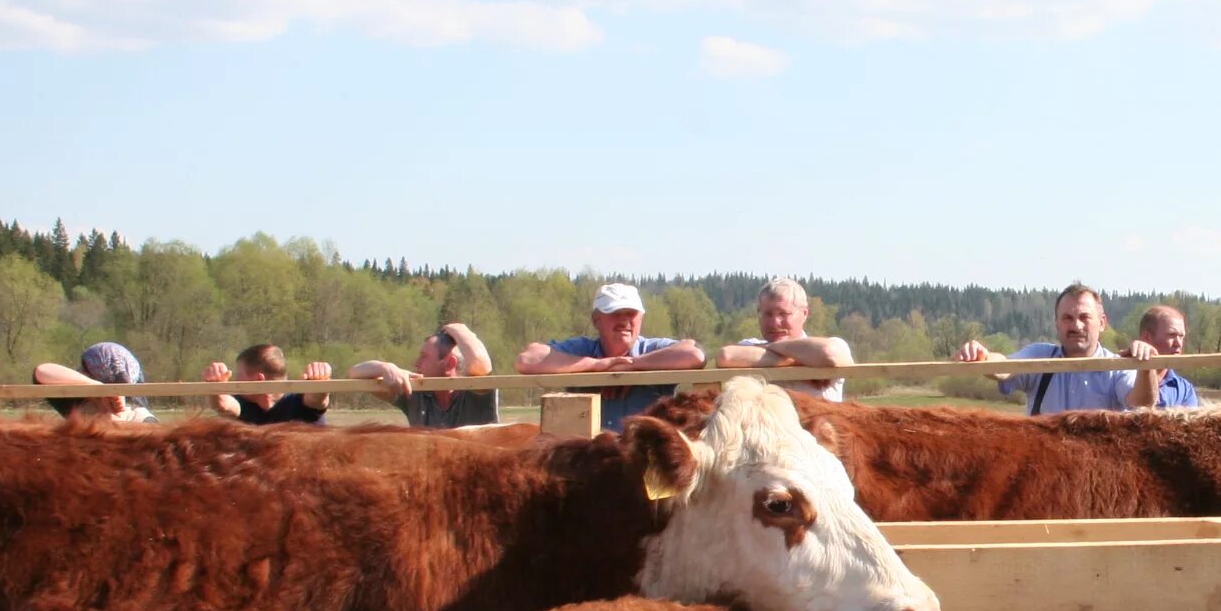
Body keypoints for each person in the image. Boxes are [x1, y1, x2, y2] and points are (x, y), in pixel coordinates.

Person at [517, 283, 706, 431]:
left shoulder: (653, 349)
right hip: (589, 462)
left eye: (631, 314)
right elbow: (528, 359)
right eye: (614, 313)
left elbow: (695, 355)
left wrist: (633, 367)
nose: (624, 321)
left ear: (641, 318)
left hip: (645, 463)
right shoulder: (582, 350)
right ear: (596, 320)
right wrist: (596, 366)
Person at [951, 284, 1162, 412]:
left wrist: (1147, 367)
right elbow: (1004, 368)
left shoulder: (1117, 366)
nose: (1076, 326)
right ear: (1057, 324)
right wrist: (983, 356)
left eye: (1084, 318)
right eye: (1067, 318)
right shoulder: (1040, 356)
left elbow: (1141, 403)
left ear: (1102, 322)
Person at [714, 278, 853, 400]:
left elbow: (829, 354)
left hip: (819, 429)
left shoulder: (836, 344)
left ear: (804, 313)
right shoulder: (750, 345)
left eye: (784, 314)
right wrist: (803, 359)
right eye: (767, 314)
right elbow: (725, 356)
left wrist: (772, 349)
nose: (775, 323)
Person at [353, 323, 499, 429]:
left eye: (424, 357)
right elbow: (355, 373)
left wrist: (458, 329)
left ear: (449, 365)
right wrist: (385, 367)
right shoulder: (415, 394)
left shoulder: (477, 394)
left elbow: (481, 364)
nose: (416, 363)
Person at [204, 344, 332, 425]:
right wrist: (216, 386)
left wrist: (320, 380)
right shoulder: (243, 405)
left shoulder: (300, 402)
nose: (235, 380)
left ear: (258, 380)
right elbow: (223, 404)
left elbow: (316, 398)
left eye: (239, 375)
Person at [34, 341, 158, 424]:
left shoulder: (141, 418)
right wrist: (96, 387)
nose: (79, 372)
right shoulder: (79, 405)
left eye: (84, 369)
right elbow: (42, 371)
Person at [1131, 304, 1199, 409]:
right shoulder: (1122, 377)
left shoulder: (1184, 389)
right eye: (1171, 335)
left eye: (1181, 336)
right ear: (1147, 337)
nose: (1178, 344)